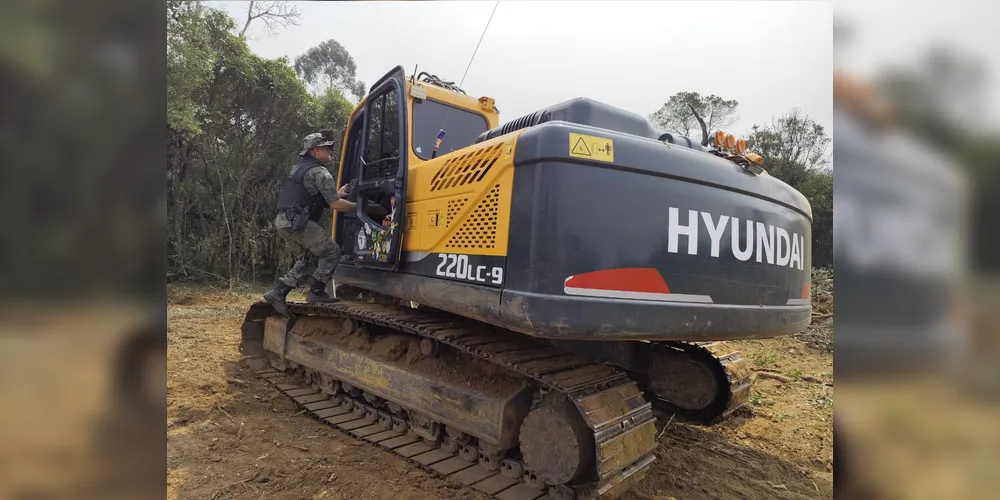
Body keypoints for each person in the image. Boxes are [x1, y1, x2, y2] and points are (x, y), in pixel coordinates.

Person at [263, 131, 357, 317]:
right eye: (327, 148)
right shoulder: (320, 172)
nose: (331, 151)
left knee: (309, 258)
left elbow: (314, 196)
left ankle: (278, 292)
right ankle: (316, 292)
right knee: (332, 251)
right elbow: (336, 205)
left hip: (284, 221)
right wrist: (360, 208)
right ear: (315, 151)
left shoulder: (299, 168)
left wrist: (338, 193)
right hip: (297, 222)